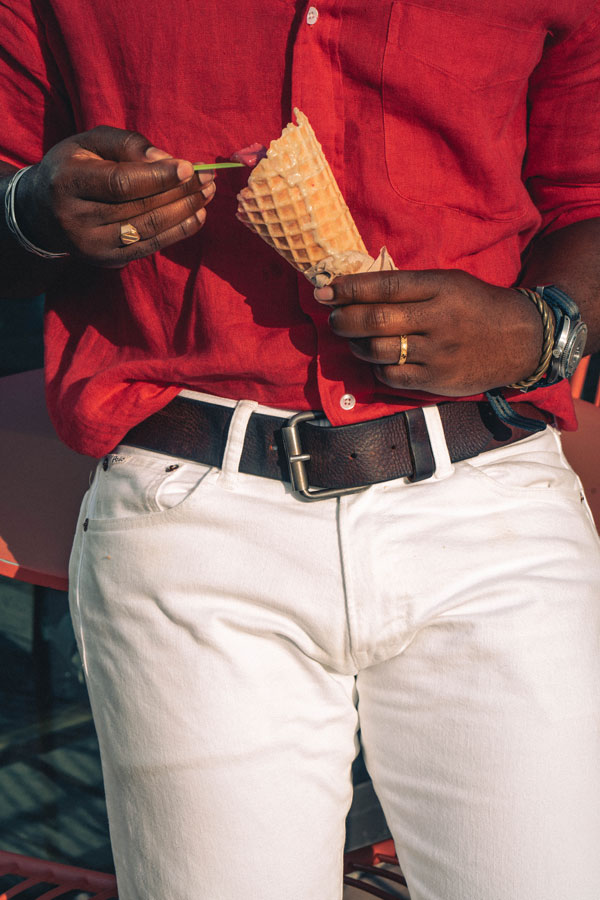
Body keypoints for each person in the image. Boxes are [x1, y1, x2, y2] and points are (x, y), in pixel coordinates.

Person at [1, 2, 600, 898]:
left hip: (492, 497)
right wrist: (40, 210)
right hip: (191, 520)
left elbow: (589, 193)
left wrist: (539, 331)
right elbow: (11, 192)